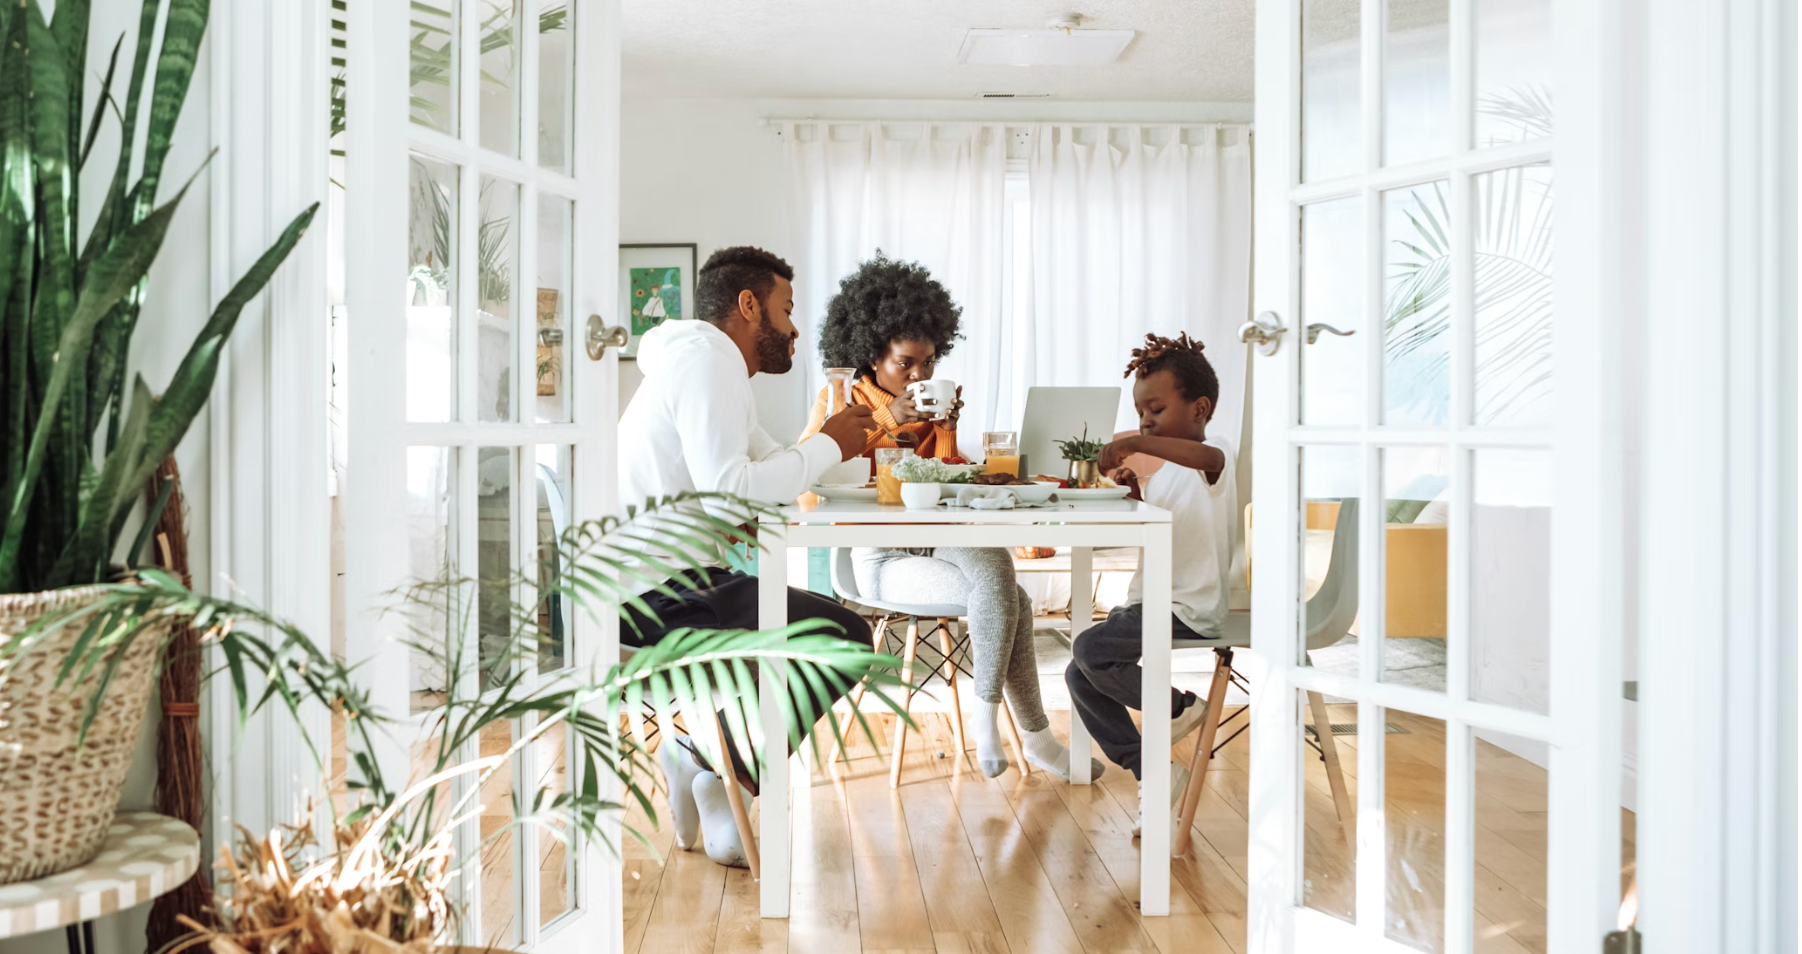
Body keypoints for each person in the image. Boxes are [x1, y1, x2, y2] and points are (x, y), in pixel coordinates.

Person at [618, 245, 877, 868]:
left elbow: (764, 468)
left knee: (823, 628)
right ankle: (715, 771)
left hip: (667, 582)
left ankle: (703, 762)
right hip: (652, 597)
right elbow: (734, 488)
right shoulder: (707, 363)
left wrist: (827, 449)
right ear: (748, 305)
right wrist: (828, 444)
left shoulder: (706, 364)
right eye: (787, 310)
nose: (794, 329)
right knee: (843, 637)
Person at [801, 254, 1097, 782]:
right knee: (1011, 598)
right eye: (905, 363)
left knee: (998, 569)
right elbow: (812, 474)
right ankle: (1030, 735)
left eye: (929, 362)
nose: (920, 375)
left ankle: (992, 719)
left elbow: (940, 482)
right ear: (871, 353)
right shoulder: (840, 400)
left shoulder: (929, 404)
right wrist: (890, 417)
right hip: (880, 555)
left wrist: (946, 432)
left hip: (938, 538)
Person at [1064, 332, 1238, 836]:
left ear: (1200, 409)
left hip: (1188, 606)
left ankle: (1180, 707)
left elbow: (1206, 462)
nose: (1144, 421)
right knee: (1079, 674)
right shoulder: (1165, 476)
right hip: (1149, 601)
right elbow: (1162, 525)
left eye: (1156, 410)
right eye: (1141, 413)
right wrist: (1135, 491)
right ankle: (1152, 771)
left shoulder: (1216, 456)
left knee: (1090, 650)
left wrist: (1137, 444)